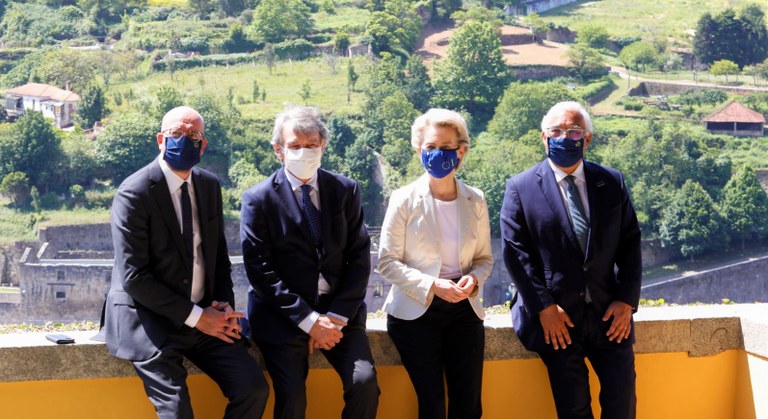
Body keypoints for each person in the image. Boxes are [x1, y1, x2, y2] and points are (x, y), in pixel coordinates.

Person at [101, 106, 269, 418]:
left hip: (205, 316)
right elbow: (134, 277)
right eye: (176, 134)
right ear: (161, 140)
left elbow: (217, 256)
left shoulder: (208, 186)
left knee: (253, 389)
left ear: (202, 145)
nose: (184, 140)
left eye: (192, 135)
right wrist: (196, 317)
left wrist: (222, 306)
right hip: (149, 321)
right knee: (176, 411)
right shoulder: (134, 192)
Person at [500, 101, 642, 419]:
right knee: (574, 409)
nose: (565, 136)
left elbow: (631, 243)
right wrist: (544, 308)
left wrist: (626, 300)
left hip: (609, 315)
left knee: (623, 404)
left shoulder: (611, 182)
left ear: (587, 139)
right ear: (544, 137)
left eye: (574, 131)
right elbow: (515, 254)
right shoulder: (520, 188)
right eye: (557, 131)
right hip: (557, 319)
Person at [240, 106, 380, 419]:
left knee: (365, 384)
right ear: (279, 150)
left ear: (323, 146)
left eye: (312, 144)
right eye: (295, 146)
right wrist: (309, 321)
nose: (304, 152)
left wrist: (335, 316)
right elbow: (260, 271)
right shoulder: (258, 199)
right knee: (292, 401)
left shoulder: (344, 190)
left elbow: (359, 256)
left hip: (340, 314)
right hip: (282, 317)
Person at [377, 108, 493, 419]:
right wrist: (431, 285)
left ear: (461, 151)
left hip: (464, 311)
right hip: (416, 313)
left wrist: (475, 280)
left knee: (468, 405)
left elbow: (484, 258)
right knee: (432, 406)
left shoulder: (476, 200)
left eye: (445, 148)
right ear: (418, 150)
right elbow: (386, 262)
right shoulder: (403, 199)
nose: (437, 154)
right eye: (430, 148)